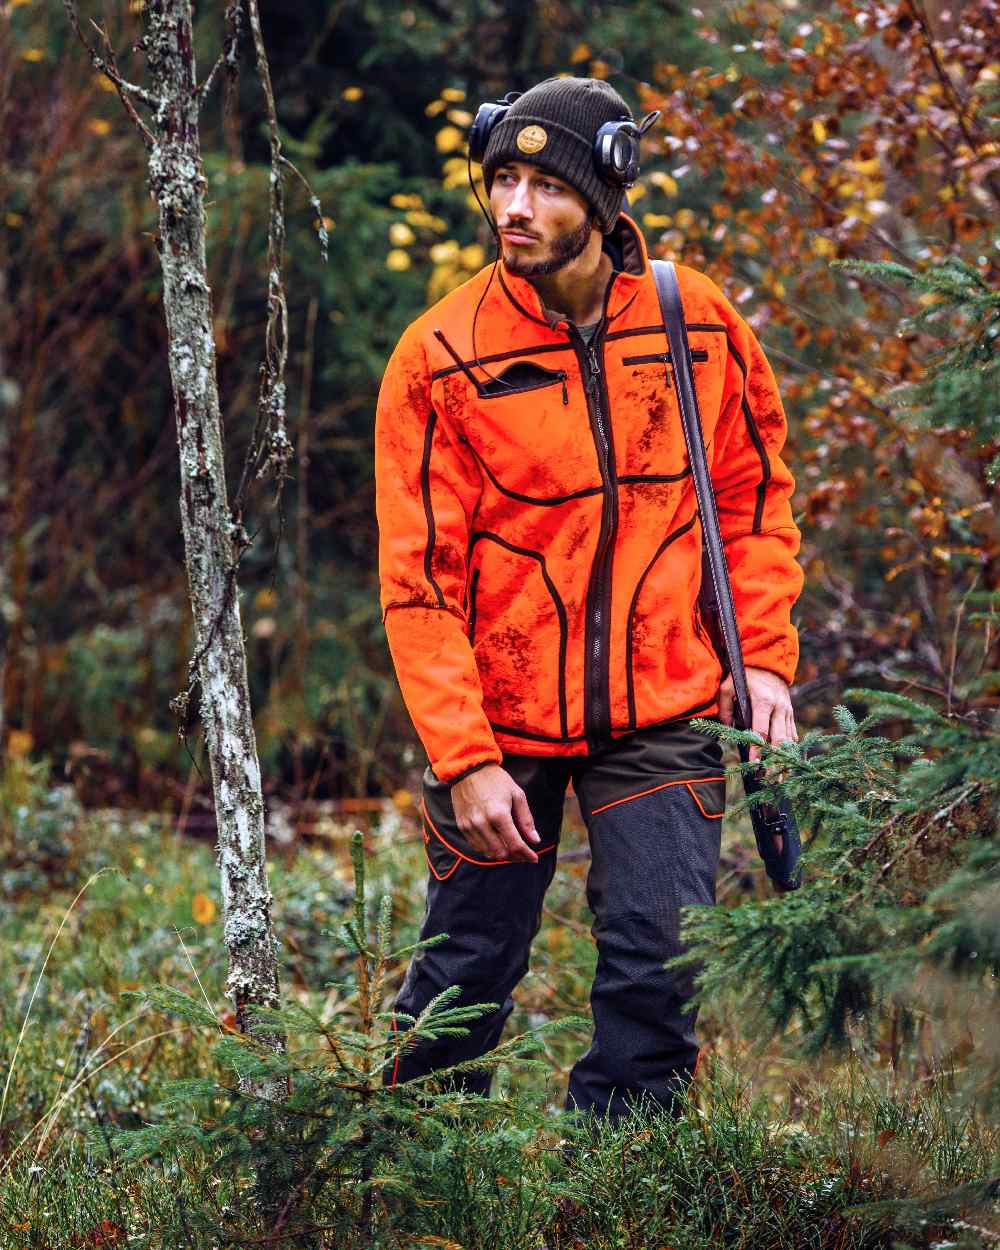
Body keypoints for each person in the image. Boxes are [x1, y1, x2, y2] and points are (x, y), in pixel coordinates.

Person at [374, 76, 804, 1123]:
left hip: (662, 708)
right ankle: (404, 1184)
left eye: (543, 185)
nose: (513, 207)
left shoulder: (694, 320)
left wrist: (764, 658)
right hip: (502, 717)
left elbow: (747, 501)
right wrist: (466, 758)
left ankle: (617, 1195)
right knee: (463, 979)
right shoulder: (440, 355)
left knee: (660, 967)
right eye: (500, 181)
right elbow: (417, 582)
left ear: (605, 198)